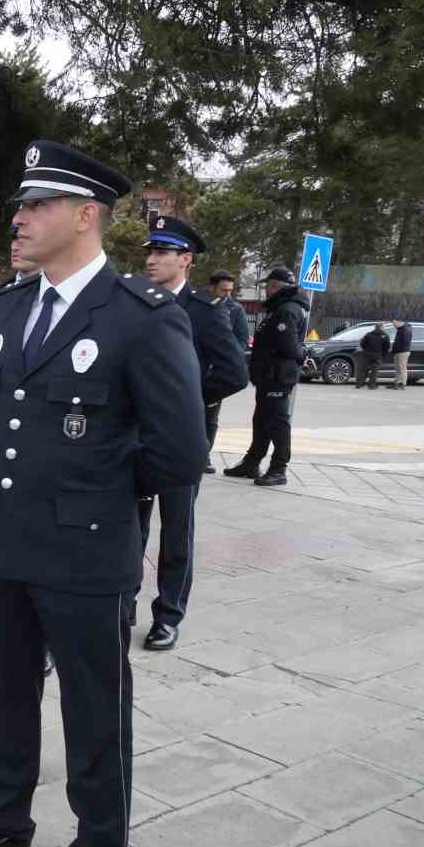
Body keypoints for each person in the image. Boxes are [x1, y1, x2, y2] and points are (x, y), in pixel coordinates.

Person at [0, 140, 207, 847]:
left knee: (94, 717)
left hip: (86, 553)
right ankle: (4, 820)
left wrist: (95, 492)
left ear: (85, 216)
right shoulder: (7, 308)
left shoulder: (140, 314)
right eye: (22, 204)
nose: (19, 218)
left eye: (36, 205)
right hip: (3, 545)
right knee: (2, 695)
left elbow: (178, 454)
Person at [133, 216, 247, 651]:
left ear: (186, 259)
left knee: (176, 531)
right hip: (136, 436)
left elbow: (235, 372)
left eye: (162, 252)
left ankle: (169, 614)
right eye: (150, 251)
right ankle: (125, 601)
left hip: (180, 440)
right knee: (130, 527)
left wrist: (184, 402)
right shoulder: (136, 302)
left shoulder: (203, 311)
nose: (152, 259)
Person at [224, 266, 308, 486]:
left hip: (278, 375)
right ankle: (252, 462)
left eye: (269, 286)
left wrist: (302, 355)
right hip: (269, 375)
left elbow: (290, 347)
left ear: (276, 287)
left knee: (277, 423)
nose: (266, 291)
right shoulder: (281, 308)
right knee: (261, 420)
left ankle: (279, 468)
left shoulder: (286, 310)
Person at [202, 269, 250, 470]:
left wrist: (226, 356)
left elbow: (241, 340)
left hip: (217, 372)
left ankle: (204, 456)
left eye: (230, 290)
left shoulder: (236, 310)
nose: (227, 295)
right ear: (211, 287)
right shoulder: (200, 305)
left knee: (210, 417)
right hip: (195, 367)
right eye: (223, 290)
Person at [356, 320, 389, 389]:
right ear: (382, 327)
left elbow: (362, 343)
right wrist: (383, 355)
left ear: (375, 327)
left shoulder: (368, 334)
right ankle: (372, 385)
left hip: (367, 355)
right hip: (378, 355)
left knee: (364, 370)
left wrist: (366, 350)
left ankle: (359, 384)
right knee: (375, 371)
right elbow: (387, 347)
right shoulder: (385, 335)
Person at [388, 312, 411, 389]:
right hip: (398, 351)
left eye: (394, 322)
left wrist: (395, 348)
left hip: (402, 352)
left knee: (402, 368)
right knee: (398, 368)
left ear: (398, 322)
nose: (393, 324)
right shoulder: (401, 329)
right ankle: (396, 383)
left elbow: (404, 342)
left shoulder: (405, 330)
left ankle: (403, 384)